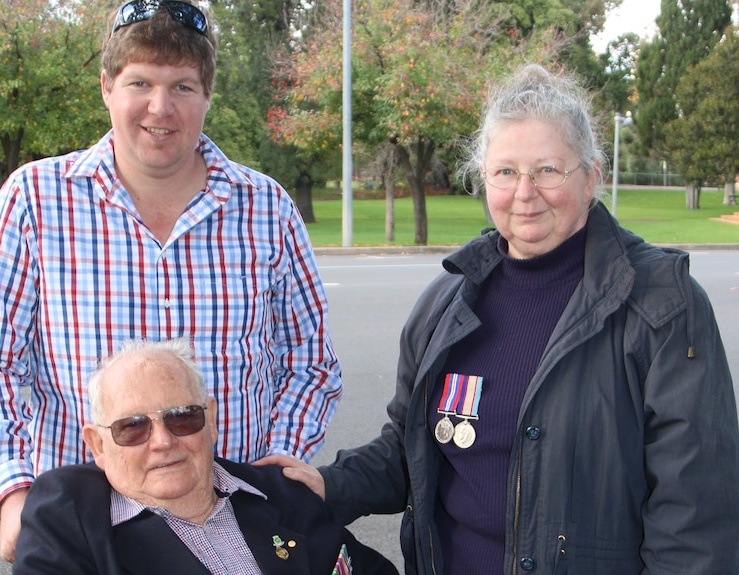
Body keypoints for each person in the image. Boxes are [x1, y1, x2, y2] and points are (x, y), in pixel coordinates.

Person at [262, 64, 739, 574]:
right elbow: (410, 451)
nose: (525, 192)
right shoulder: (447, 301)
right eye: (506, 171)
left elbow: (695, 516)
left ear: (592, 176)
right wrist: (328, 483)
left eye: (549, 170)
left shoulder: (662, 304)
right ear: (484, 178)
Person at [0, 0, 341, 563]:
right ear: (107, 86)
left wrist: (276, 461)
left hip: (229, 525)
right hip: (86, 534)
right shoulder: (35, 200)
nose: (161, 107)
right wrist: (13, 492)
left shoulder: (265, 208)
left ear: (207, 94)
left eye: (182, 86)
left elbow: (311, 361)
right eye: (140, 82)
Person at [12, 338, 396, 575]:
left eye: (182, 418)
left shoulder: (278, 492)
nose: (162, 442)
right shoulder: (67, 520)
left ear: (210, 421)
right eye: (133, 427)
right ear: (98, 445)